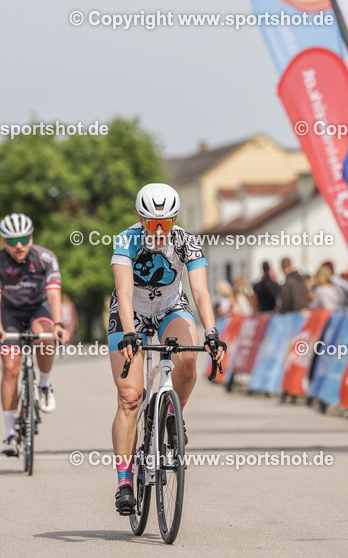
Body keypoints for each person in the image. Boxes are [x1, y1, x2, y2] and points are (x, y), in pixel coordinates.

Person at [110, 183, 225, 516]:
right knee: (130, 398)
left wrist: (212, 331)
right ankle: (124, 481)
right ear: (140, 219)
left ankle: (174, 413)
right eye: (151, 223)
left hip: (171, 307)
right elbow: (125, 294)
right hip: (130, 312)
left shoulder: (187, 241)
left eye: (166, 223)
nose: (159, 231)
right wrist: (130, 333)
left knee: (187, 361)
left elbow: (201, 293)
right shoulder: (126, 240)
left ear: (175, 219)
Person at [0, 213, 69, 456]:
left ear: (31, 238)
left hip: (37, 308)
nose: (19, 245)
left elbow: (54, 293)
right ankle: (10, 434)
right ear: (4, 242)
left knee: (45, 336)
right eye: (12, 241)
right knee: (10, 367)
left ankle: (44, 384)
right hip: (9, 312)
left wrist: (59, 324)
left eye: (23, 239)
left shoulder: (45, 258)